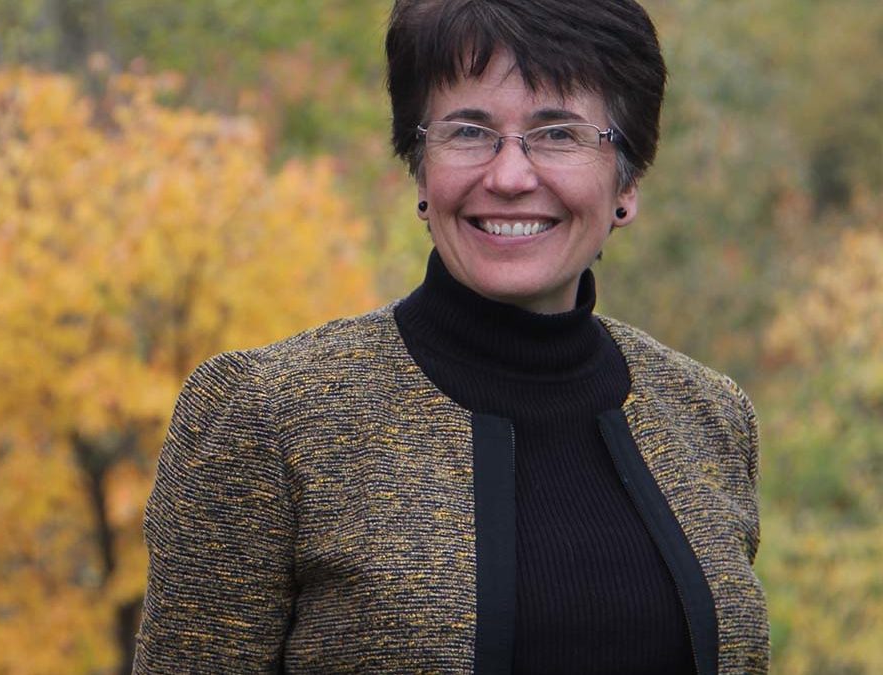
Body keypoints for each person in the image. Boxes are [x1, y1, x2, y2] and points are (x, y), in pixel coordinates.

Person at [132, 0, 769, 672]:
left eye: (557, 133)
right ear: (419, 167)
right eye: (469, 131)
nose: (510, 175)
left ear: (628, 180)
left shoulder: (710, 416)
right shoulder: (268, 414)